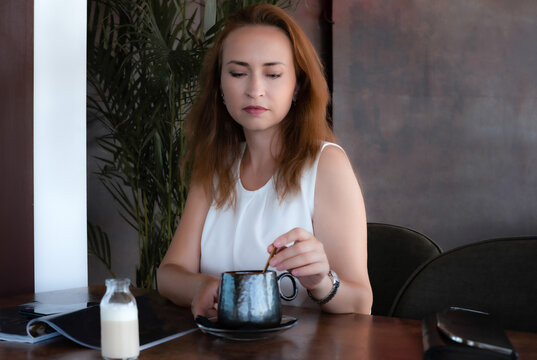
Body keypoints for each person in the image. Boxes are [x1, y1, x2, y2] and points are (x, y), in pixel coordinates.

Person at [157, 3, 372, 318]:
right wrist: (202, 286)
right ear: (219, 85)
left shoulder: (326, 165)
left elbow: (360, 303)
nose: (255, 90)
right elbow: (169, 273)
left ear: (297, 85)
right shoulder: (216, 165)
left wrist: (321, 282)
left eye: (272, 74)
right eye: (238, 73)